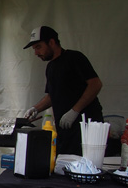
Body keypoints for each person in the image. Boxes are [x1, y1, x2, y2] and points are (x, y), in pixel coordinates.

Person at [23, 26, 103, 155]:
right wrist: (35, 108)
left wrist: (75, 110)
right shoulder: (50, 67)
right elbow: (52, 95)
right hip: (65, 130)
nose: (36, 53)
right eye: (34, 49)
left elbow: (95, 84)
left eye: (38, 47)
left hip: (86, 128)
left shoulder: (75, 58)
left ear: (51, 42)